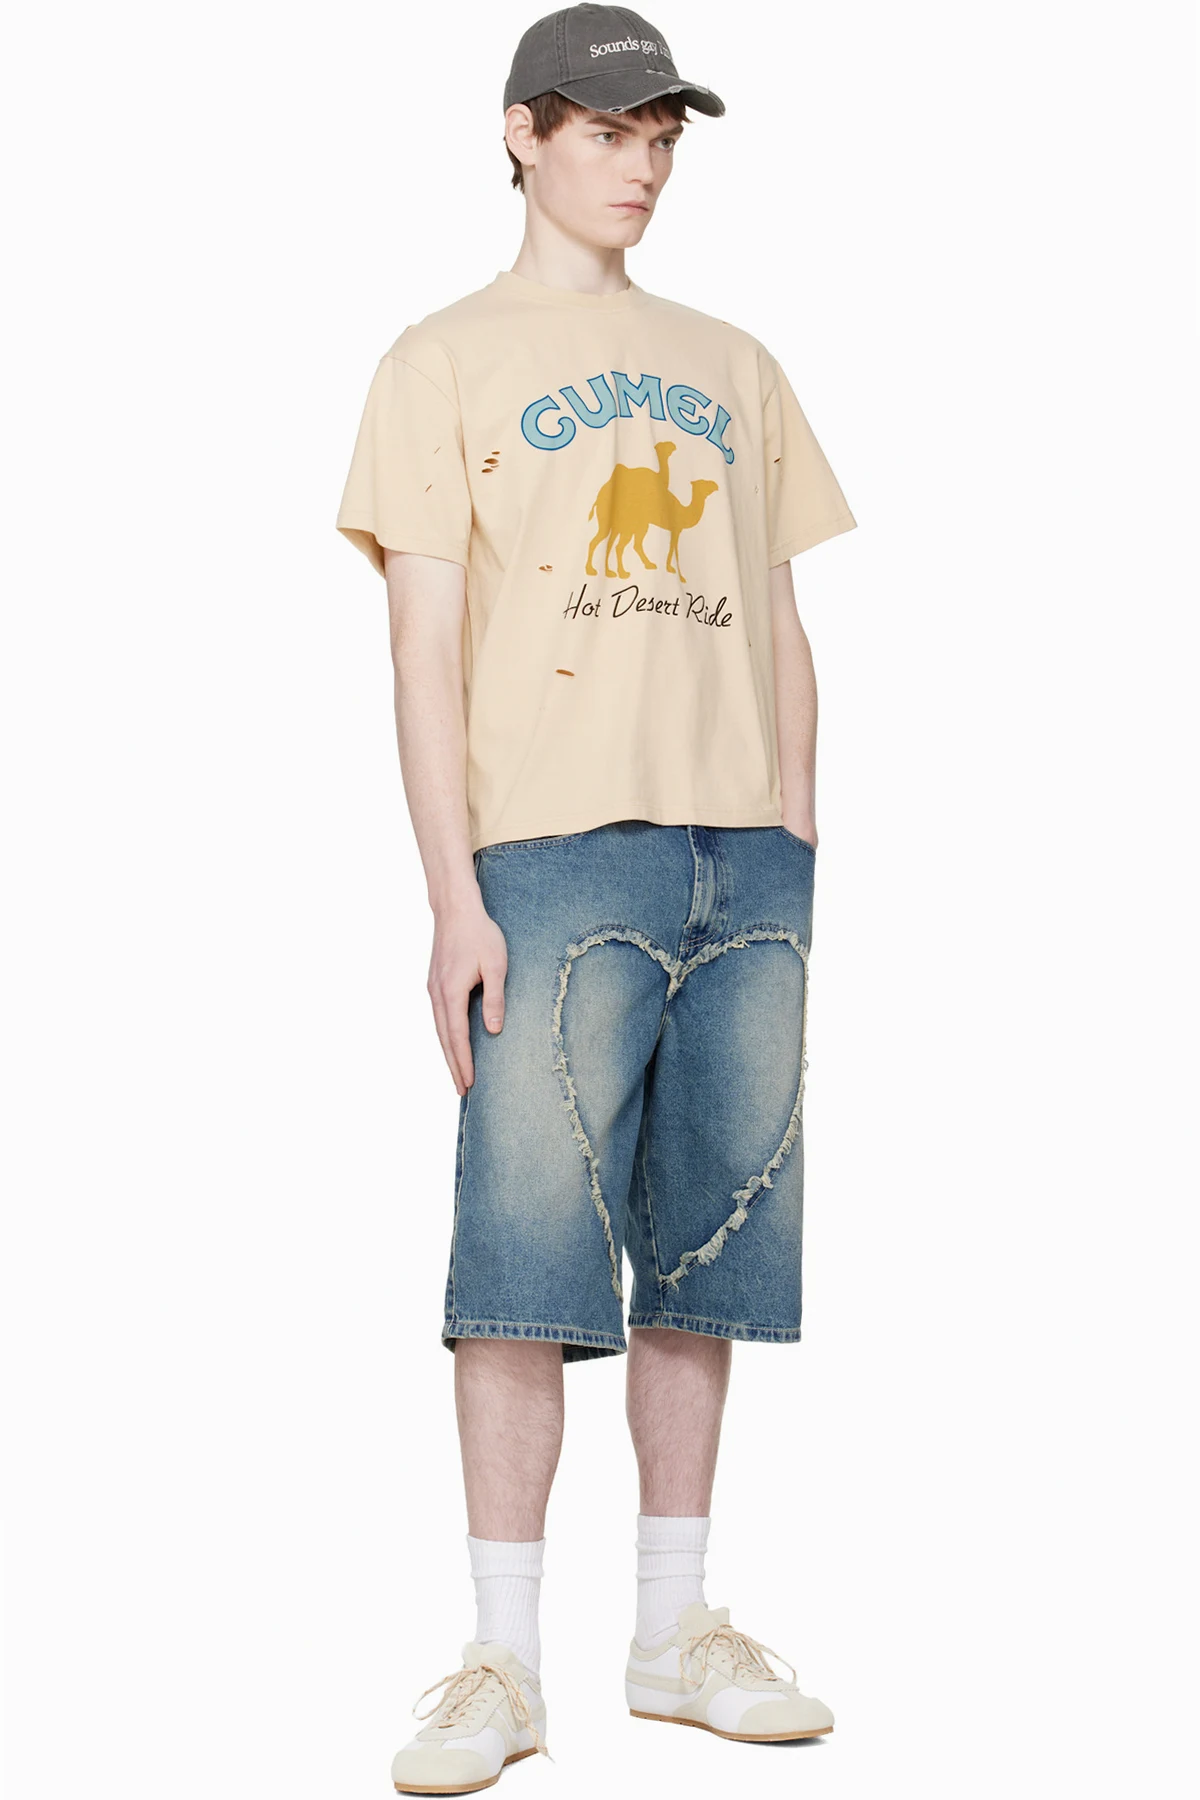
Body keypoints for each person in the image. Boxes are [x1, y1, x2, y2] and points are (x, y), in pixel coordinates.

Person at [335, 5, 856, 1789]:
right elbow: (422, 647)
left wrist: (794, 837)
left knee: (708, 1254)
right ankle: (501, 1660)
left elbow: (780, 618)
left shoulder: (732, 358)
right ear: (522, 134)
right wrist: (452, 896)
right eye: (608, 133)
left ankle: (673, 1631)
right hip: (549, 859)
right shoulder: (439, 360)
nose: (641, 166)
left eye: (661, 139)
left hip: (741, 857)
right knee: (523, 1259)